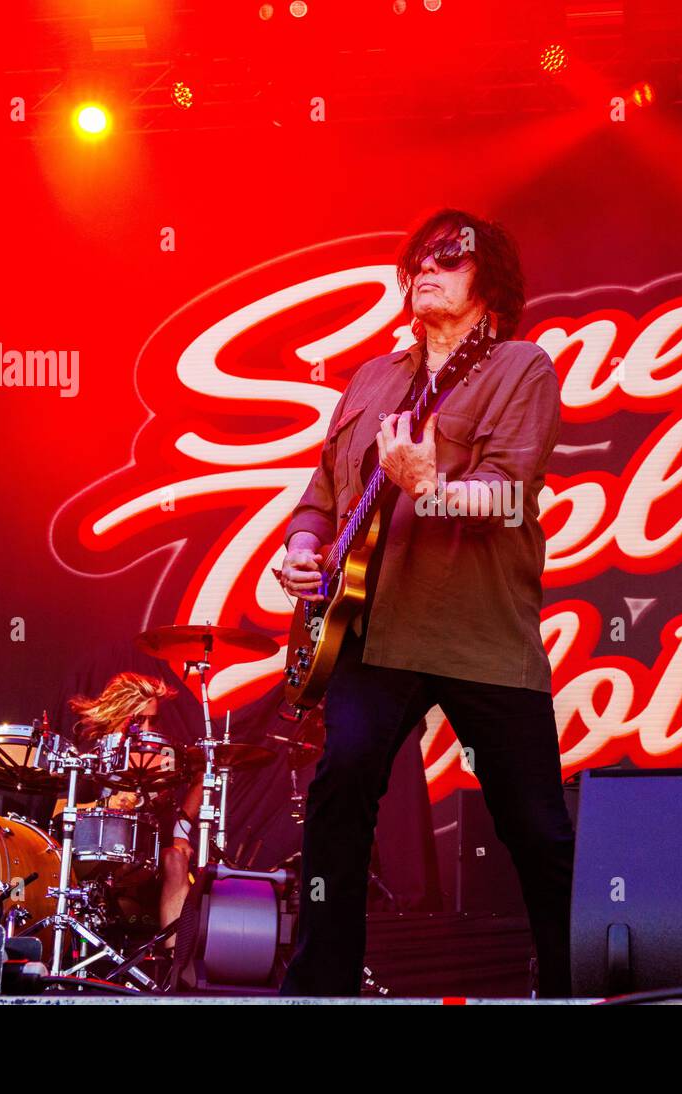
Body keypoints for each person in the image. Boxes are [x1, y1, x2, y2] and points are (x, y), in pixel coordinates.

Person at [277, 208, 574, 997]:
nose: (427, 270)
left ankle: (569, 988)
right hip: (371, 634)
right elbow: (322, 491)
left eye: (450, 259)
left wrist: (431, 488)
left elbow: (507, 495)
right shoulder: (373, 379)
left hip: (481, 636)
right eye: (419, 260)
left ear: (491, 286)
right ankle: (320, 989)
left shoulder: (522, 368)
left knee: (537, 830)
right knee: (340, 796)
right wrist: (303, 548)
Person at [52, 672, 201, 946]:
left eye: (153, 720)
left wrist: (181, 832)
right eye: (137, 721)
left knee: (176, 859)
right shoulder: (90, 752)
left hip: (145, 859)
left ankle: (173, 966)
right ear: (117, 714)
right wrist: (107, 804)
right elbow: (58, 812)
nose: (146, 728)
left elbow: (202, 773)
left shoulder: (162, 754)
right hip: (90, 857)